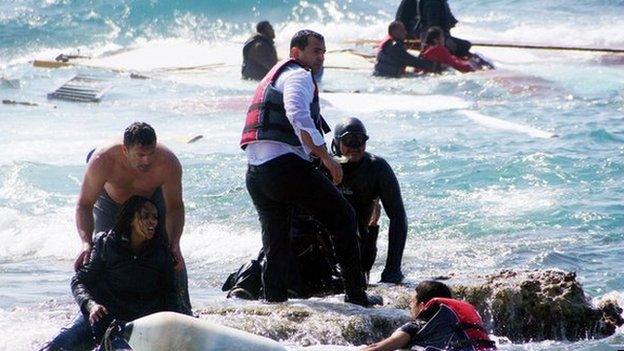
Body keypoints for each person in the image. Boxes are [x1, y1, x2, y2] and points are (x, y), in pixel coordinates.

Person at [241, 29, 379, 306]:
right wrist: (325, 157)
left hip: (257, 173)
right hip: (284, 168)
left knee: (276, 238)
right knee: (344, 217)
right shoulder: (298, 75)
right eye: (316, 51)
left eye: (323, 52)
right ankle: (356, 295)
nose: (321, 57)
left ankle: (274, 299)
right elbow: (298, 114)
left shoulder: (276, 76)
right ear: (296, 53)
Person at [74, 121, 192, 314]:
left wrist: (175, 242)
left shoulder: (168, 163)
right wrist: (85, 242)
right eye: (140, 155)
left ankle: (183, 311)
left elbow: (175, 206)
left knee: (170, 254)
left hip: (150, 200)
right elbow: (84, 204)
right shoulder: (102, 160)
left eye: (151, 153)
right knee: (100, 252)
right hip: (111, 203)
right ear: (124, 150)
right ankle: (94, 312)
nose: (146, 161)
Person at [42, 196, 183, 350]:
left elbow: (170, 293)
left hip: (135, 323)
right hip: (100, 316)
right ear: (131, 219)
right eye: (145, 216)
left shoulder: (160, 252)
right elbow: (79, 281)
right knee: (56, 346)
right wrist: (91, 305)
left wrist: (177, 327)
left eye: (155, 217)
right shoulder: (106, 243)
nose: (152, 222)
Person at [331, 118, 407, 284]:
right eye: (349, 140)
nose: (355, 146)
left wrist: (392, 270)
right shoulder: (325, 165)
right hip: (327, 243)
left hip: (361, 245)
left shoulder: (376, 168)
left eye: (361, 140)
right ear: (335, 142)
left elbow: (398, 217)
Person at [360, 281, 496, 351]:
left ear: (422, 305)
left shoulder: (417, 325)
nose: (410, 305)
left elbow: (377, 349)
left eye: (413, 301)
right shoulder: (455, 324)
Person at [396, 0, 472, 58]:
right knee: (465, 45)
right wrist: (446, 40)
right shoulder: (433, 2)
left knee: (464, 45)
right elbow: (432, 27)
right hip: (429, 37)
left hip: (425, 34)